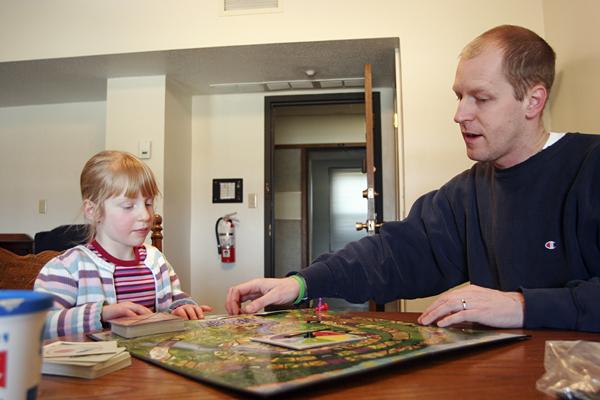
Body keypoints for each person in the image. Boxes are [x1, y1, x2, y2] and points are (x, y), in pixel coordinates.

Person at [226, 25, 600, 333]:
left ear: (533, 101)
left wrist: (520, 305)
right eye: (459, 96)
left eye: (481, 98)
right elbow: (392, 254)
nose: (459, 114)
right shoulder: (465, 194)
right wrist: (301, 283)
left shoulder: (591, 166)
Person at [35, 150, 212, 338]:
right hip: (101, 366)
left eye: (149, 203)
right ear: (93, 211)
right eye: (128, 206)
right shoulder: (67, 268)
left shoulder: (156, 260)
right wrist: (101, 314)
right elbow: (38, 324)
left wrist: (183, 307)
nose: (145, 216)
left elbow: (174, 298)